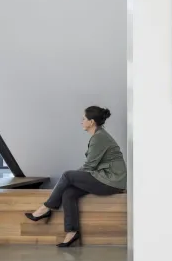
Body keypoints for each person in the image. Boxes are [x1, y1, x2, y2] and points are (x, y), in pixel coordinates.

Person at [25, 106, 127, 247]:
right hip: (105, 177)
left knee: (68, 175)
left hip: (111, 181)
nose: (81, 121)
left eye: (83, 119)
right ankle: (72, 232)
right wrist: (73, 178)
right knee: (69, 193)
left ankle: (45, 208)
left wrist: (72, 177)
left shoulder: (99, 138)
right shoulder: (99, 135)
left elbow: (88, 167)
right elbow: (89, 167)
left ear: (91, 122)